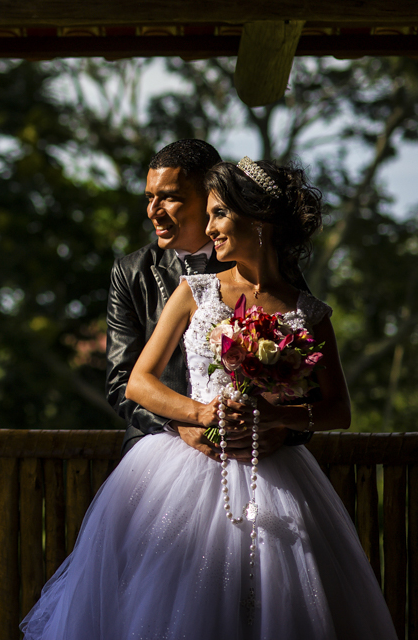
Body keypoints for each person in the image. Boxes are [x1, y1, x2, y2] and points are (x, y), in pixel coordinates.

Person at [21, 158, 396, 640]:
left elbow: (338, 410)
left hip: (276, 476)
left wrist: (275, 417)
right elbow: (137, 382)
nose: (210, 227)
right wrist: (200, 414)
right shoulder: (195, 291)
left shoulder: (308, 310)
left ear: (257, 221)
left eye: (220, 214)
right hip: (180, 474)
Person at [106, 139, 297, 461]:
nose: (153, 211)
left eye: (170, 198)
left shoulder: (266, 264)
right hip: (156, 448)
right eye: (150, 197)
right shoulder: (130, 272)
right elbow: (120, 382)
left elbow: (307, 371)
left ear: (209, 195)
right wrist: (178, 423)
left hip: (257, 453)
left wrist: (283, 428)